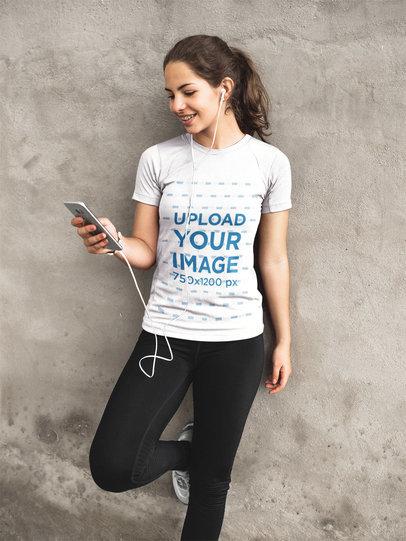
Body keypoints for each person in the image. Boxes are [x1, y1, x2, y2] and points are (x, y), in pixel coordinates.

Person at [71, 34, 293, 541]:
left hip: (237, 340)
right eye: (170, 95)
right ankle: (196, 451)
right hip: (166, 335)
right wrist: (113, 243)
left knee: (213, 485)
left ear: (224, 89)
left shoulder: (269, 164)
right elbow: (146, 250)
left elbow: (273, 257)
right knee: (113, 465)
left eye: (187, 92)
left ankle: (206, 459)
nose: (177, 106)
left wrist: (283, 339)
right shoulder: (158, 160)